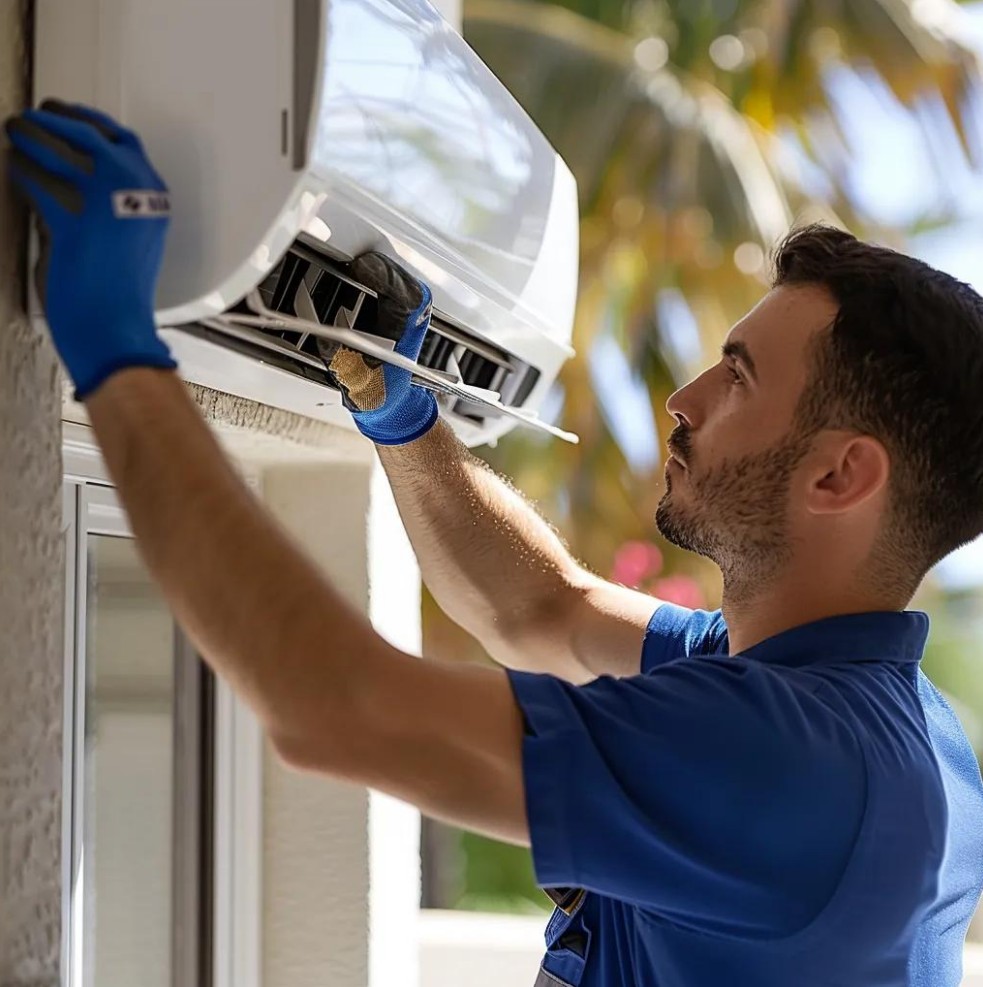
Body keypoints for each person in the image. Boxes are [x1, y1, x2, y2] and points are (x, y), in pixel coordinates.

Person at [6, 99, 983, 987]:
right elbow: (544, 611)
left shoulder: (794, 762)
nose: (682, 403)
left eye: (735, 379)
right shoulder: (869, 718)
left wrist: (119, 354)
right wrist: (403, 419)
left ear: (837, 477)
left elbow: (333, 705)